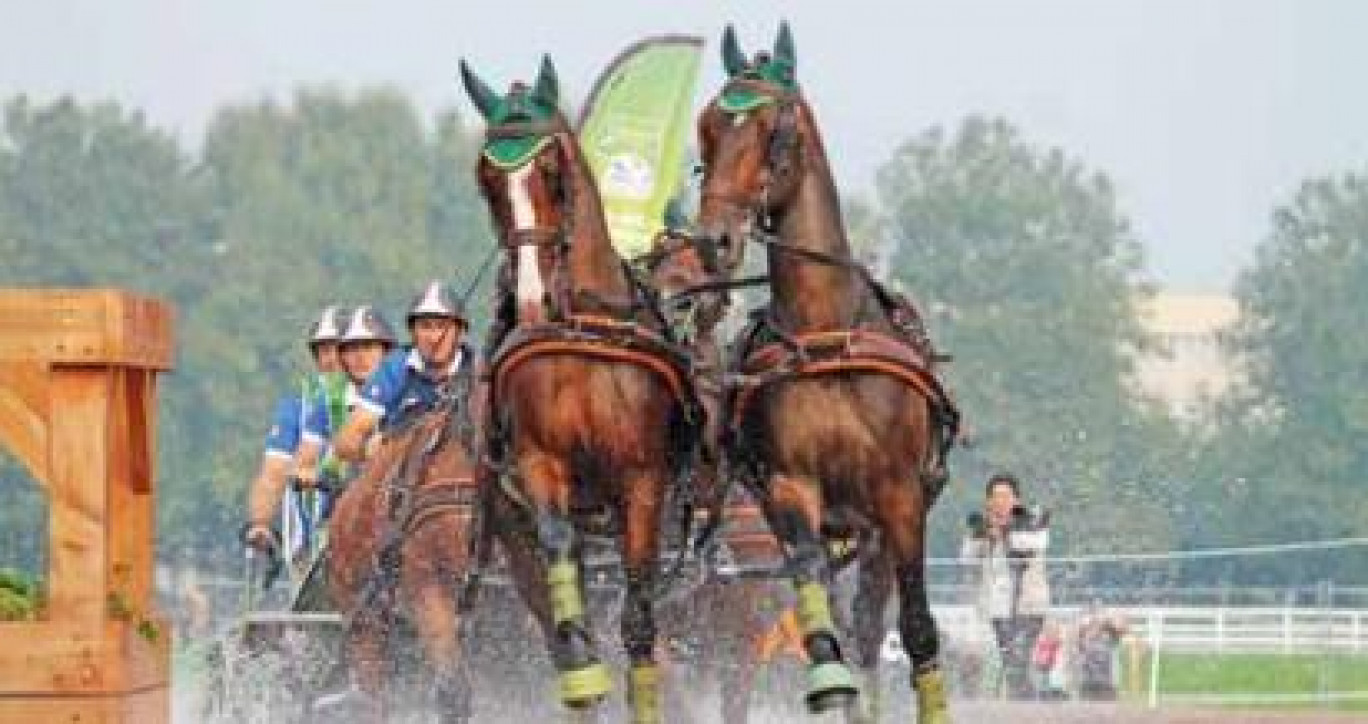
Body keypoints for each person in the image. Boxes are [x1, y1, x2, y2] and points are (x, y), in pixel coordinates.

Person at [243, 305, 348, 554]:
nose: (331, 358)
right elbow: (272, 474)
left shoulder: (380, 398)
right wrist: (260, 523)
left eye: (338, 349)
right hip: (310, 544)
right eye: (323, 351)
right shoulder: (296, 408)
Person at [331, 281, 472, 463]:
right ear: (412, 333)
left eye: (442, 326)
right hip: (397, 472)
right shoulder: (394, 368)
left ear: (460, 332)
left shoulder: (478, 372)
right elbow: (346, 442)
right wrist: (369, 450)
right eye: (426, 326)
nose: (435, 337)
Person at [961, 472, 1052, 699]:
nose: (1000, 502)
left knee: (1018, 657)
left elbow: (1035, 544)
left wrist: (1005, 531)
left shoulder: (1030, 520)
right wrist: (981, 537)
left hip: (1029, 605)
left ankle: (1028, 706)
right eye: (995, 497)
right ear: (988, 502)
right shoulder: (984, 528)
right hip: (998, 606)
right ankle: (1024, 707)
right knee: (1010, 662)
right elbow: (966, 559)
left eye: (1005, 496)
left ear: (1017, 500)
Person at [294, 305, 397, 481]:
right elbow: (305, 457)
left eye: (368, 347)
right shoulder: (327, 401)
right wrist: (305, 472)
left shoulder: (408, 394)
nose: (360, 357)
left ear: (387, 353)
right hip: (346, 492)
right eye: (352, 349)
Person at [1073, 604, 1129, 700]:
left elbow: (1123, 628)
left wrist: (1107, 618)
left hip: (1107, 684)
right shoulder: (1082, 638)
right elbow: (1075, 634)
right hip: (1087, 683)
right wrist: (1087, 624)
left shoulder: (1109, 635)